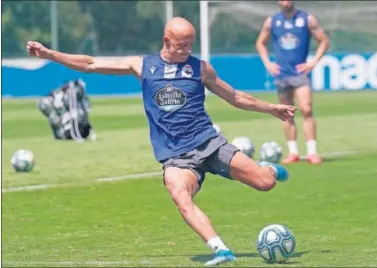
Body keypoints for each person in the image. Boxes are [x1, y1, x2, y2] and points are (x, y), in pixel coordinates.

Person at [27, 17, 296, 266]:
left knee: (265, 183)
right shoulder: (143, 65)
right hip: (176, 156)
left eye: (191, 44)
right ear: (167, 41)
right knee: (181, 196)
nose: (188, 50)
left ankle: (269, 168)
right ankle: (221, 249)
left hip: (209, 143)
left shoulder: (200, 68)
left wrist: (270, 108)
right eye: (182, 45)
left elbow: (234, 96)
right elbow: (90, 63)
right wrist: (50, 54)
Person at [256, 0, 329, 164]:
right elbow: (260, 43)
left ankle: (312, 152)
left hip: (299, 73)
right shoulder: (272, 21)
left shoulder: (306, 19)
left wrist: (313, 62)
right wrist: (268, 63)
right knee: (287, 113)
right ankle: (293, 152)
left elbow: (324, 41)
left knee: (306, 109)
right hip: (281, 74)